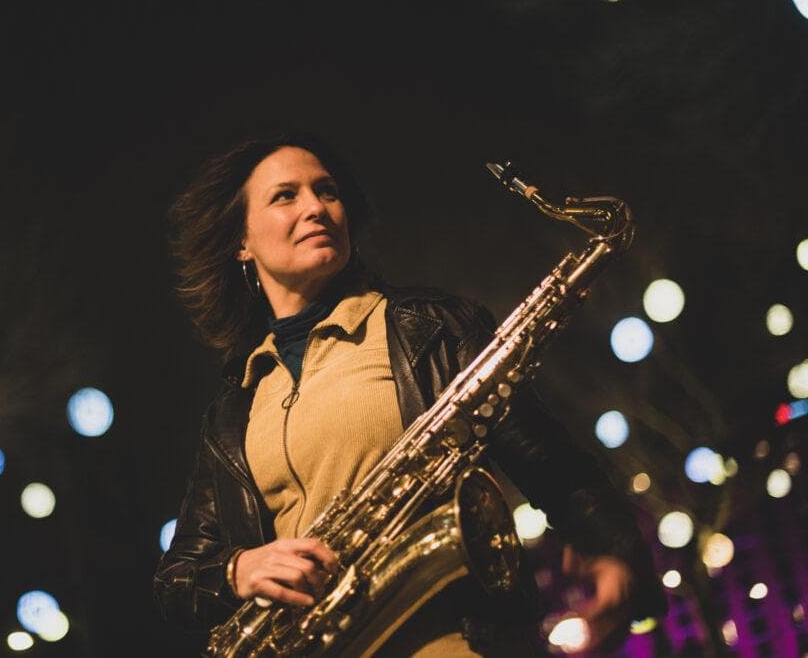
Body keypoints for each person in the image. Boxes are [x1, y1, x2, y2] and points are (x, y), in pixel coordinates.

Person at [153, 133, 665, 656]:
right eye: (285, 196)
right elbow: (178, 579)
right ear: (242, 240)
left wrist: (612, 549)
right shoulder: (234, 405)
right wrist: (240, 569)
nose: (317, 207)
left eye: (327, 191)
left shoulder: (428, 328)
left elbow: (550, 462)